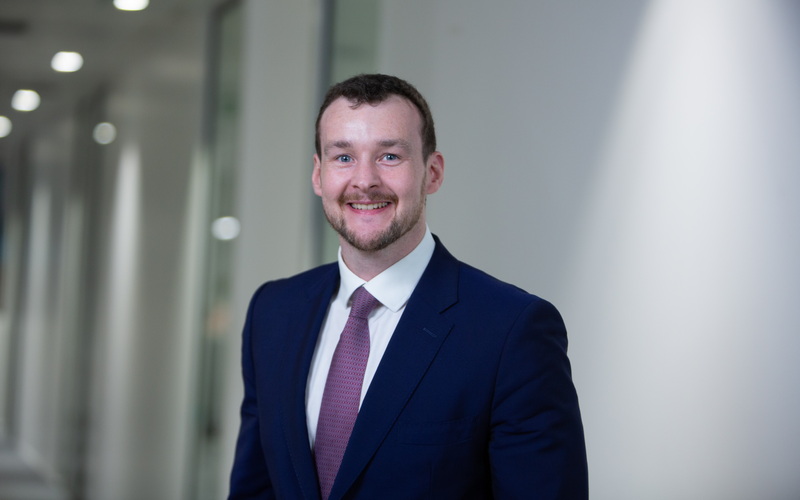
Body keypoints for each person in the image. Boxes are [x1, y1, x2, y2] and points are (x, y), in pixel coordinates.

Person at [228, 73, 588, 499]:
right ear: (318, 175)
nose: (364, 180)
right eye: (343, 157)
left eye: (389, 156)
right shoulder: (273, 312)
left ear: (432, 173)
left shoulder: (511, 332)